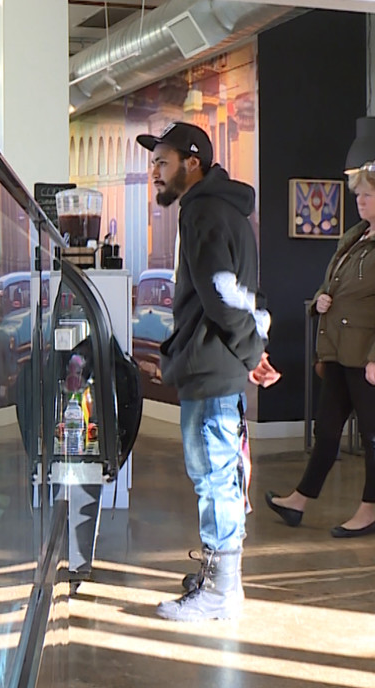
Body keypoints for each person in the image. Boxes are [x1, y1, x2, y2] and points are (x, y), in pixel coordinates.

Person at [136, 122, 280, 622]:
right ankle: (220, 579)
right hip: (217, 361)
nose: (154, 172)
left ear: (191, 162)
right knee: (217, 473)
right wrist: (252, 351)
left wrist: (248, 352)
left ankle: (221, 591)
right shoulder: (219, 209)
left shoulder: (202, 211)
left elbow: (221, 293)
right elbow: (234, 294)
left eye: (162, 162)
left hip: (213, 365)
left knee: (215, 476)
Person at [265, 159, 375, 538]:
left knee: (374, 437)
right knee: (328, 431)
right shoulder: (356, 237)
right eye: (358, 195)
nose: (361, 202)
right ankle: (299, 501)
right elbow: (331, 283)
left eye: (368, 195)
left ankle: (368, 513)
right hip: (338, 350)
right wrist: (321, 299)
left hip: (371, 356)